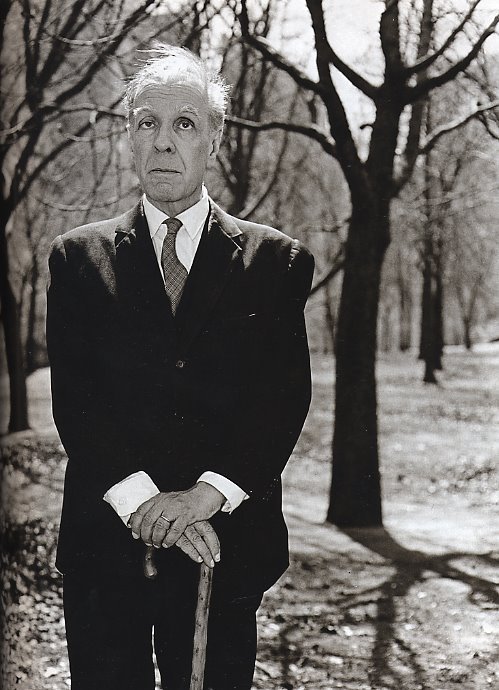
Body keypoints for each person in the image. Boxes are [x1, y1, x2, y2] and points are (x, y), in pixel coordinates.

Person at [46, 44, 314, 690]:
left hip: (222, 550)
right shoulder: (77, 260)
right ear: (129, 137)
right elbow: (76, 402)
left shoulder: (274, 263)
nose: (163, 142)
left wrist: (201, 499)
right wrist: (146, 504)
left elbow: (280, 402)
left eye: (184, 124)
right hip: (105, 551)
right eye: (148, 123)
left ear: (214, 140)